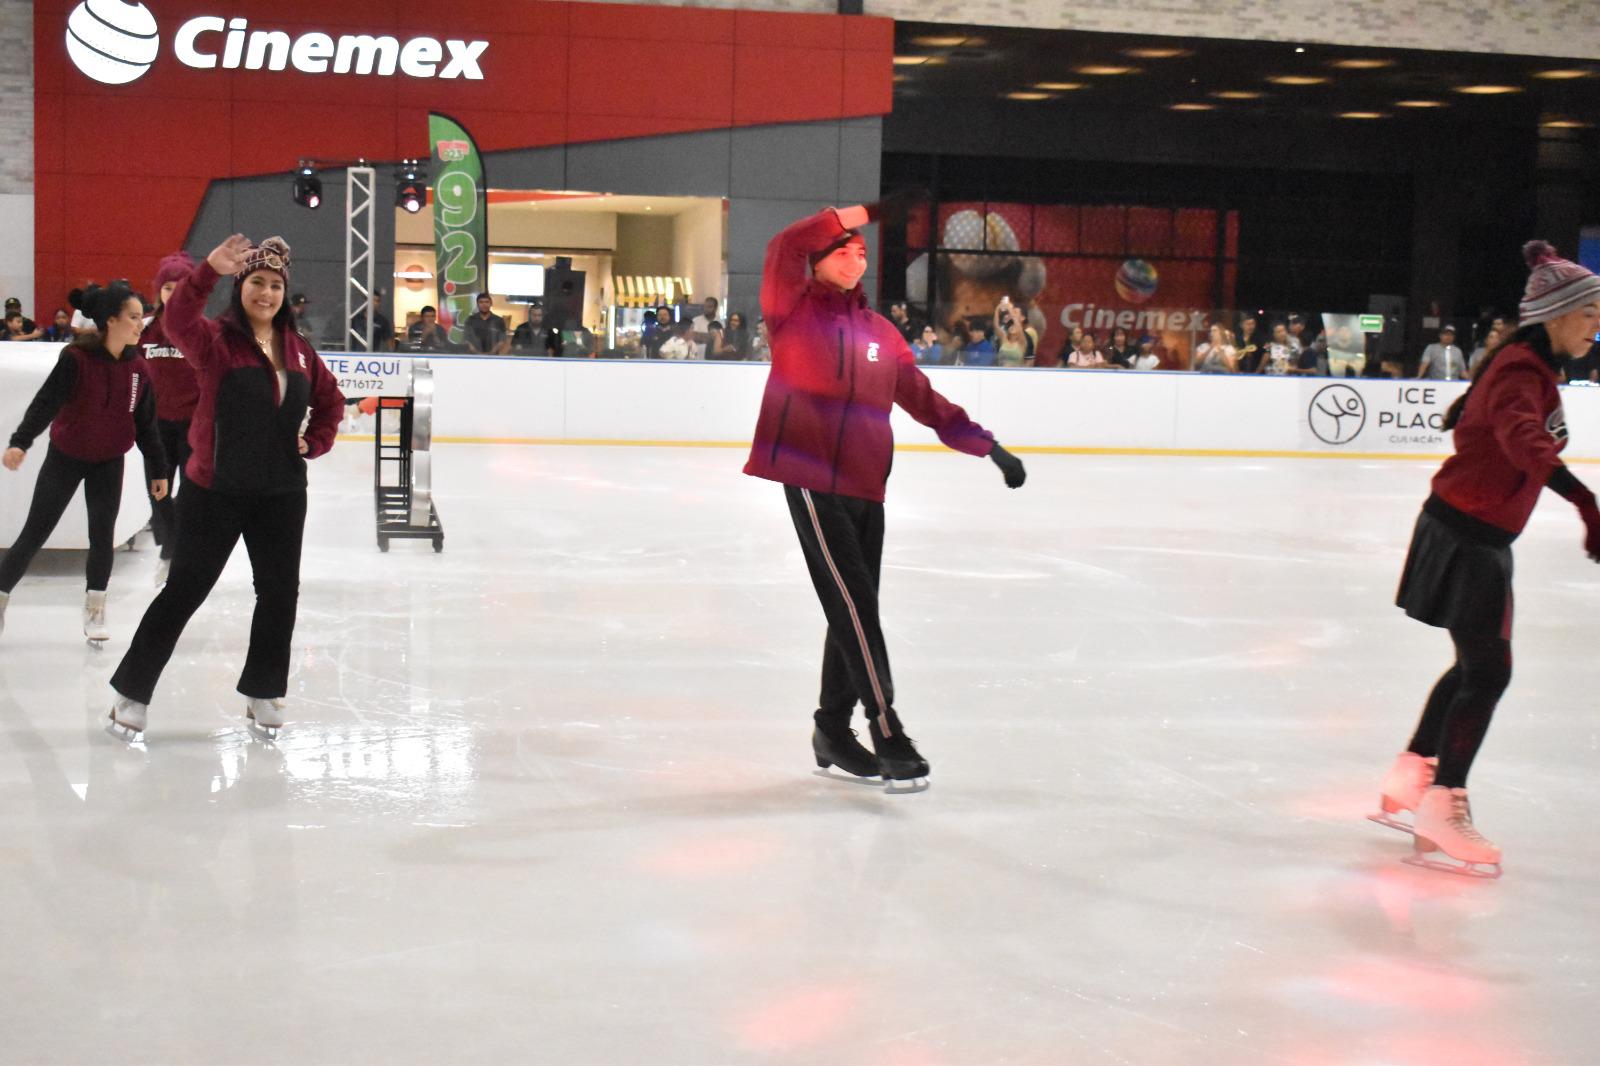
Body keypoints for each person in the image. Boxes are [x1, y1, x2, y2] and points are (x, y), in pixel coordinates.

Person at [743, 204, 1027, 787]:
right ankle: (886, 727)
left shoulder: (881, 333)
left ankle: (831, 727)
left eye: (862, 250)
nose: (858, 257)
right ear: (818, 261)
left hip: (868, 484)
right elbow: (784, 244)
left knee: (854, 606)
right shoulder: (791, 310)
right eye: (844, 249)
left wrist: (987, 446)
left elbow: (925, 400)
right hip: (811, 476)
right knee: (853, 605)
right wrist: (867, 211)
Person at [1376, 240, 1600, 877]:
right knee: (1489, 673)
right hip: (1468, 540)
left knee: (1474, 666)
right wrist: (1586, 502)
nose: (1596, 326)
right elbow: (1526, 442)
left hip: (1469, 532)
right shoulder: (1521, 372)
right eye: (1589, 313)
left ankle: (1411, 774)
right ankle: (1443, 803)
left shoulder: (1528, 366)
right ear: (1556, 315)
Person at [105, 235, 344, 740]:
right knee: (184, 590)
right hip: (216, 489)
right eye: (257, 281)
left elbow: (330, 402)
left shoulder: (299, 351)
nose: (266, 293)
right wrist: (207, 271)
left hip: (281, 493)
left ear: (285, 292)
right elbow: (176, 320)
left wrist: (314, 441)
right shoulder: (215, 341)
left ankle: (264, 691)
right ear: (241, 287)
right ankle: (132, 692)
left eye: (275, 285)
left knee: (279, 594)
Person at [0, 282, 167, 644]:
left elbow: (146, 424)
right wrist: (20, 442)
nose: (140, 325)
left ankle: (95, 607)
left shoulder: (138, 368)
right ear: (111, 320)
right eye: (133, 317)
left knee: (102, 536)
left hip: (109, 461)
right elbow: (46, 403)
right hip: (66, 458)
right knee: (35, 532)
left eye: (141, 317)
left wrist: (158, 470)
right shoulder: (76, 359)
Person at [141, 252, 201, 587]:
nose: (173, 294)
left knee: (191, 495)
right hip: (155, 427)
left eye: (180, 288)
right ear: (159, 291)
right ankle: (170, 546)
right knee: (158, 493)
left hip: (194, 426)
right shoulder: (144, 329)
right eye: (167, 288)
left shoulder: (202, 330)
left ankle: (173, 554)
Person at [992, 297, 1035, 367]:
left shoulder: (1022, 340)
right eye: (1011, 327)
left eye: (1015, 312)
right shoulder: (1004, 339)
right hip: (1001, 370)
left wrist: (1010, 309)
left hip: (1015, 371)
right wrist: (997, 309)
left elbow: (1019, 328)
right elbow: (996, 326)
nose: (1012, 328)